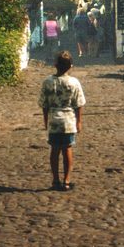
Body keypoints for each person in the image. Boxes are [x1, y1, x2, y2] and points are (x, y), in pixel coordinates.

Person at [38, 51, 86, 191]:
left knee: (54, 150)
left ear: (55, 65)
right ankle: (66, 180)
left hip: (54, 120)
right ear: (71, 66)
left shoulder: (48, 82)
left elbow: (44, 105)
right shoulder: (74, 82)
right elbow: (79, 104)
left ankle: (55, 180)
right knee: (67, 150)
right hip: (69, 121)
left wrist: (46, 121)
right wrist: (79, 121)